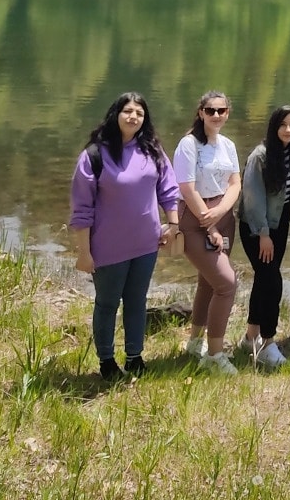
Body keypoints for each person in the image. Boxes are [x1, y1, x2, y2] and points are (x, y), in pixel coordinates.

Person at [70, 92, 179, 380]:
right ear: (115, 114)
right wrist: (84, 252)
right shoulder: (94, 155)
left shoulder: (152, 150)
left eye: (139, 113)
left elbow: (168, 190)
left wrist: (174, 224)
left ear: (145, 119)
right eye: (127, 111)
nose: (133, 117)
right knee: (107, 303)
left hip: (146, 245)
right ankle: (106, 361)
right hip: (108, 247)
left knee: (137, 300)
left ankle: (135, 357)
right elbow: (82, 210)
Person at [174, 91, 243, 373]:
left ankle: (195, 343)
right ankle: (214, 356)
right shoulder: (188, 144)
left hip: (223, 216)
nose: (216, 115)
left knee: (208, 281)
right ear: (201, 112)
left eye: (222, 110)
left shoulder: (228, 144)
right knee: (227, 284)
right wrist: (209, 222)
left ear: (228, 113)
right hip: (195, 218)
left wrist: (221, 212)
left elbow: (235, 183)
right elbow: (186, 188)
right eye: (211, 110)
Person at [239, 105, 290, 368]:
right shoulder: (261, 156)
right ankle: (268, 342)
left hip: (278, 226)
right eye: (283, 125)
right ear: (274, 126)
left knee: (264, 280)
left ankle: (250, 337)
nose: (288, 130)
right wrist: (263, 234)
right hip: (257, 228)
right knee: (273, 281)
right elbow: (253, 199)